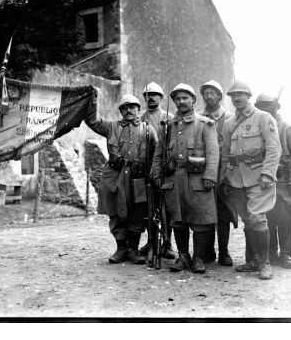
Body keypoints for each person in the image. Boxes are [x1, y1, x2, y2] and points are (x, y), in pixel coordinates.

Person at [151, 83, 219, 273]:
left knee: (200, 222)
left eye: (185, 98)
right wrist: (156, 174)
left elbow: (213, 154)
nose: (181, 102)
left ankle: (198, 258)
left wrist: (210, 176)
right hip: (174, 181)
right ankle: (183, 257)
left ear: (193, 100)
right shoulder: (168, 127)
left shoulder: (205, 124)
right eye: (177, 99)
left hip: (198, 180)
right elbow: (158, 154)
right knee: (178, 221)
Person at [85, 92, 157, 264]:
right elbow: (92, 121)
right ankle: (121, 248)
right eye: (125, 107)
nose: (129, 110)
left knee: (137, 213)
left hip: (138, 177)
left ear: (139, 109)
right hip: (115, 176)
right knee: (115, 212)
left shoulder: (148, 130)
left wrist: (153, 175)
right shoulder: (111, 127)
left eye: (133, 107)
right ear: (120, 111)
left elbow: (157, 156)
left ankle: (133, 249)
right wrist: (92, 100)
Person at [220, 81, 281, 280]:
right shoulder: (229, 124)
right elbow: (226, 153)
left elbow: (274, 149)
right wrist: (224, 177)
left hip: (258, 177)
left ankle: (265, 264)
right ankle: (253, 260)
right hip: (236, 179)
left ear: (249, 96)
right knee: (247, 220)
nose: (237, 98)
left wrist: (268, 174)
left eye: (241, 94)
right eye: (233, 95)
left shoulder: (264, 118)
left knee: (257, 219)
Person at [254, 93, 291, 269]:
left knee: (285, 219)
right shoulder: (258, 128)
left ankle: (286, 254)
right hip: (265, 183)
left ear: (276, 107)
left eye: (268, 105)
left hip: (285, 184)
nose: (264, 109)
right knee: (268, 218)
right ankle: (270, 253)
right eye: (260, 106)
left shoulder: (288, 128)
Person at [198, 80, 236, 266]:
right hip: (203, 171)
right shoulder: (198, 117)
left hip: (223, 171)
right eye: (205, 93)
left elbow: (232, 147)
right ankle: (208, 250)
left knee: (223, 214)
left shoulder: (228, 118)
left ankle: (224, 252)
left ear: (220, 96)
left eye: (212, 93)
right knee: (205, 212)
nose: (208, 96)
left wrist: (227, 173)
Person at [139, 82, 176, 260]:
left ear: (161, 98)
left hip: (164, 169)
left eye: (155, 95)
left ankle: (167, 243)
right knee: (148, 208)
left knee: (165, 209)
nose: (151, 98)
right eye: (148, 95)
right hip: (144, 169)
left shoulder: (169, 117)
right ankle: (151, 241)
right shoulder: (139, 119)